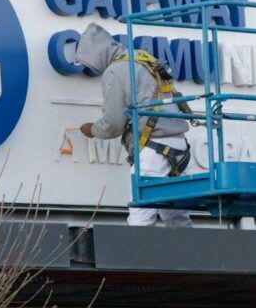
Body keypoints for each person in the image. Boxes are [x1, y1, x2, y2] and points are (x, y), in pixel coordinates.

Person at [76, 23, 193, 227]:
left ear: (96, 54)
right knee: (176, 217)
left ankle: (138, 258)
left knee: (141, 217)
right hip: (179, 146)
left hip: (154, 151)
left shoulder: (115, 70)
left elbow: (113, 123)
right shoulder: (144, 59)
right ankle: (190, 258)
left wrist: (92, 129)